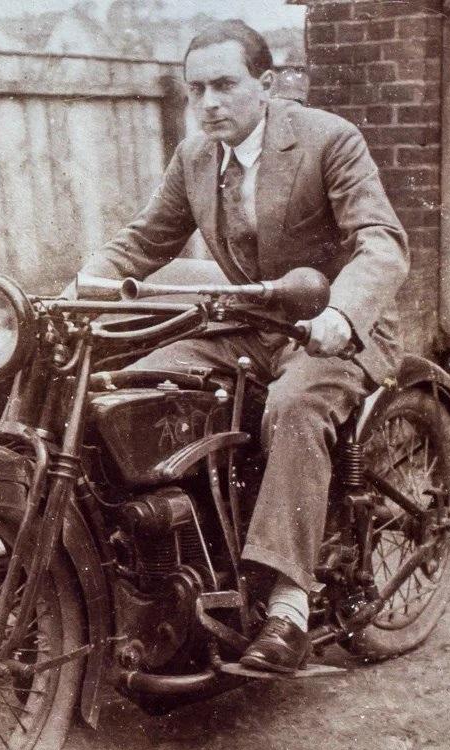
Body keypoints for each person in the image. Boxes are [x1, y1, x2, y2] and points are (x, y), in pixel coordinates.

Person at [71, 20, 409, 673]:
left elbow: (381, 242)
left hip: (336, 329)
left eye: (224, 85)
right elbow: (142, 241)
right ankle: (172, 561)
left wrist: (343, 312)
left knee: (294, 407)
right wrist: (80, 288)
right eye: (196, 89)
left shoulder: (328, 139)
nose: (209, 103)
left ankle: (288, 604)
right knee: (138, 383)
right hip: (251, 326)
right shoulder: (196, 157)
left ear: (267, 83)